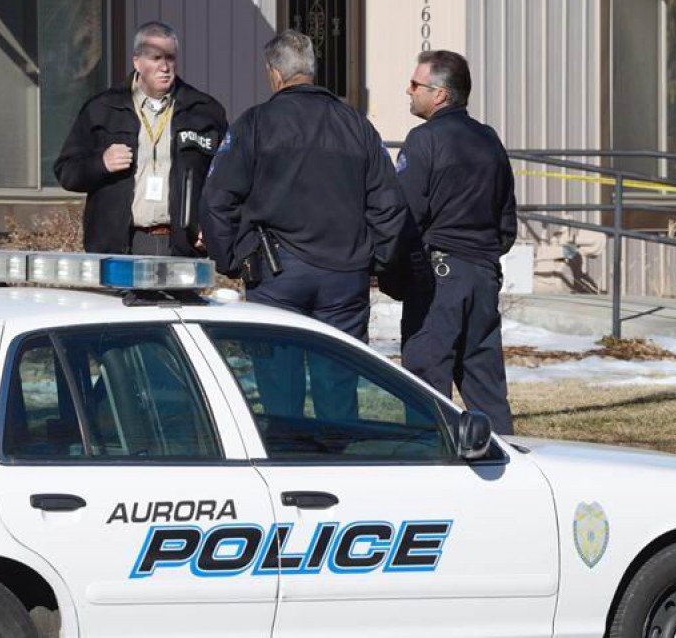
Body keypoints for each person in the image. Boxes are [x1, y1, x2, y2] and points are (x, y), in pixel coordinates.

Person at [201, 29, 415, 420]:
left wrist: (230, 259)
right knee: (339, 378)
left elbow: (217, 198)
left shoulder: (255, 124)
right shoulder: (358, 126)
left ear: (275, 75)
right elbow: (389, 204)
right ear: (311, 72)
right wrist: (380, 261)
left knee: (279, 385)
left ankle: (288, 456)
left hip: (277, 271)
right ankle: (338, 457)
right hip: (345, 273)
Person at [395, 50, 518, 435]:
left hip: (439, 275)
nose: (408, 90)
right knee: (485, 383)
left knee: (426, 382)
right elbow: (506, 222)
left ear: (441, 94)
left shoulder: (423, 141)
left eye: (416, 85)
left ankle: (431, 469)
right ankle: (506, 460)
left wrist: (394, 269)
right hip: (483, 275)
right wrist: (482, 258)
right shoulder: (489, 140)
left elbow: (404, 216)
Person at [54, 21, 227, 256]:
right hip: (120, 246)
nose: (165, 67)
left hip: (180, 246)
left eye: (170, 58)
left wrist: (211, 224)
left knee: (181, 295)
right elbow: (66, 172)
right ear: (137, 61)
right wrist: (100, 163)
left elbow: (224, 179)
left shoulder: (203, 111)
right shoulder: (103, 109)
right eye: (156, 58)